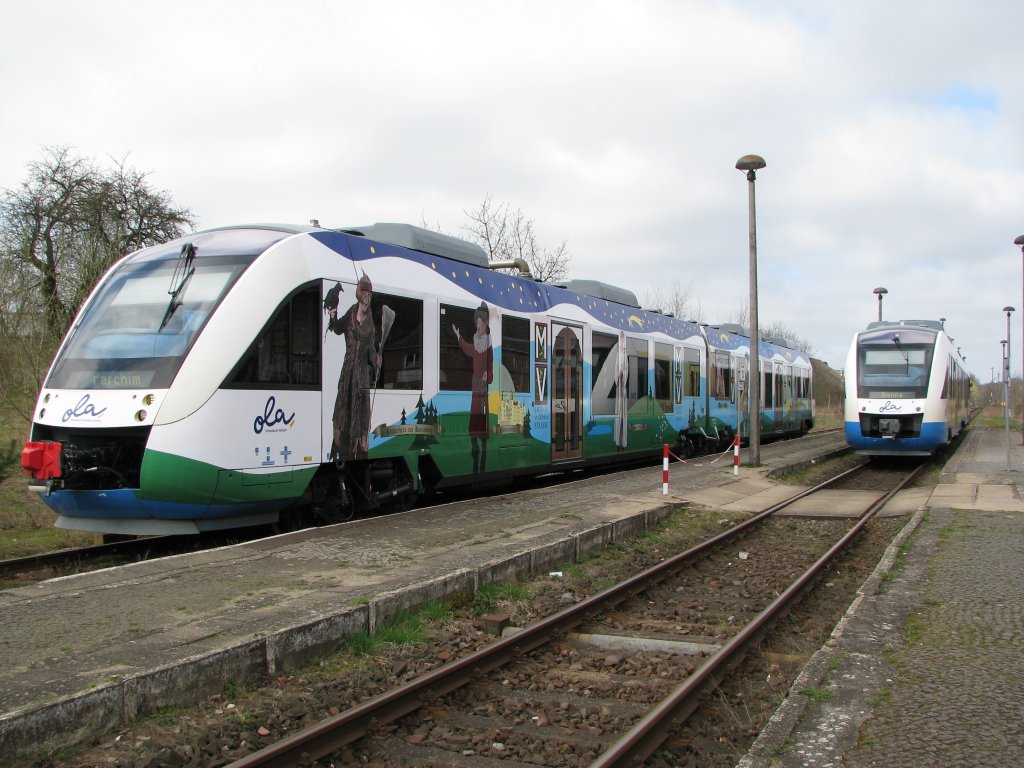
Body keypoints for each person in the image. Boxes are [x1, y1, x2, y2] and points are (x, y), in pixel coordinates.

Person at [327, 273, 381, 461]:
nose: (367, 297)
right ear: (359, 294)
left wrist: (376, 359)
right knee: (341, 416)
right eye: (364, 292)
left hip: (361, 377)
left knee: (359, 422)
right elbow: (337, 328)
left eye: (369, 293)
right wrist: (332, 314)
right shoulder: (350, 312)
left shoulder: (371, 322)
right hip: (346, 374)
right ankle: (339, 450)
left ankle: (357, 455)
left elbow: (371, 350)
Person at [452, 302, 493, 472]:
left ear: (485, 326)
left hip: (483, 390)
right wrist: (458, 336)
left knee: (482, 426)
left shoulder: (488, 346)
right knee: (473, 426)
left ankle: (483, 458)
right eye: (477, 324)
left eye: (481, 324)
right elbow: (467, 348)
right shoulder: (476, 343)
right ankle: (475, 455)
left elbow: (490, 368)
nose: (478, 327)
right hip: (474, 388)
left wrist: (487, 376)